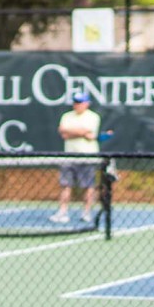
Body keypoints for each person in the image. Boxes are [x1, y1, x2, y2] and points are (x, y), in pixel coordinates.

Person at [52, 91, 104, 223]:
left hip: (88, 157)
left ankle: (86, 213)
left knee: (88, 186)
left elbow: (85, 131)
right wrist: (80, 132)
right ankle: (62, 212)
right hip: (69, 157)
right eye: (75, 102)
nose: (77, 105)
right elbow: (64, 133)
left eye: (80, 102)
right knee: (65, 185)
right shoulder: (67, 116)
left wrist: (72, 131)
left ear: (87, 104)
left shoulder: (93, 117)